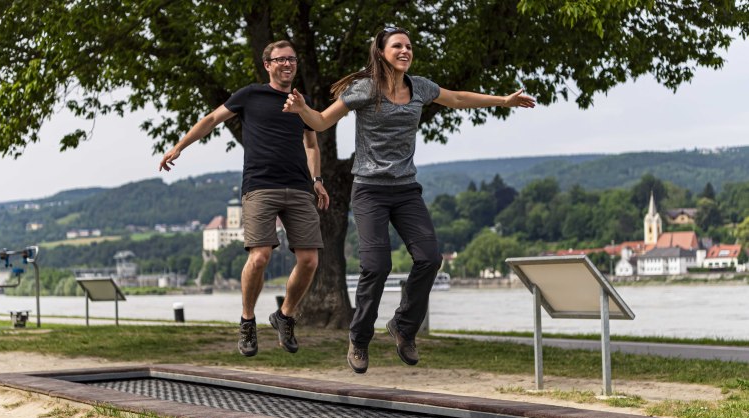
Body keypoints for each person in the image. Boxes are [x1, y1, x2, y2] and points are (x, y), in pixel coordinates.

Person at [283, 27, 534, 373]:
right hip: (369, 189)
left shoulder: (420, 87)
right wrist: (301, 109)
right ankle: (359, 338)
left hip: (405, 189)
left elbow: (458, 98)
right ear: (381, 52)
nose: (405, 50)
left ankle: (403, 326)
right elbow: (322, 122)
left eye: (409, 46)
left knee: (430, 258)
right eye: (397, 45)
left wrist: (502, 101)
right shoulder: (365, 89)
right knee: (376, 266)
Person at [159, 40, 330, 357]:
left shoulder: (301, 102)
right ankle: (247, 321)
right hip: (260, 186)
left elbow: (311, 144)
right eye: (280, 59)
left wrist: (317, 179)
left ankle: (284, 316)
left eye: (292, 59)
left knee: (310, 260)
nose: (288, 64)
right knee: (260, 256)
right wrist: (179, 147)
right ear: (268, 64)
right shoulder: (250, 95)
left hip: (298, 186)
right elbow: (211, 119)